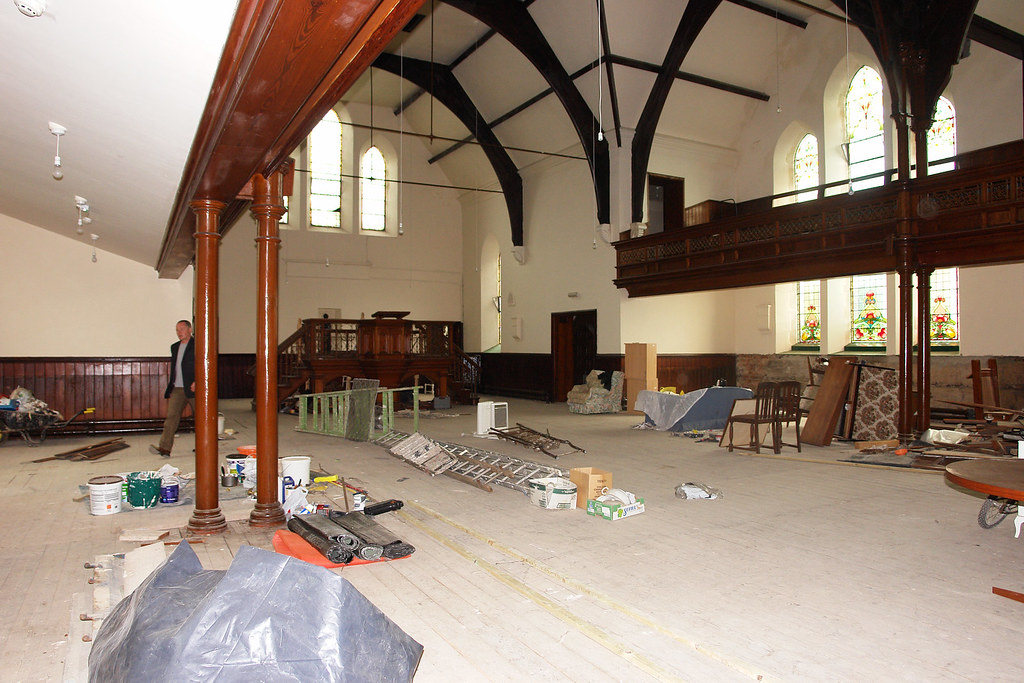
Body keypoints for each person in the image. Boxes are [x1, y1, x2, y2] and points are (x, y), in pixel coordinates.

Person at [150, 320, 195, 457]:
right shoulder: (174, 347)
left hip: (194, 388)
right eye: (177, 330)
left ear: (190, 329)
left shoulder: (198, 345)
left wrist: (198, 381)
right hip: (177, 388)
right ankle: (164, 448)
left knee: (202, 419)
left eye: (181, 329)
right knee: (171, 418)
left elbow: (204, 365)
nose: (179, 332)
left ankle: (204, 446)